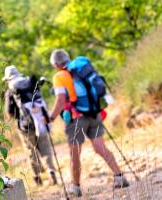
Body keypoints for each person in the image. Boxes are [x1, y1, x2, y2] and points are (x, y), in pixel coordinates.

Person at [48, 49, 129, 197]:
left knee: (75, 153)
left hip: (76, 119)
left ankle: (76, 187)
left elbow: (60, 100)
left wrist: (50, 118)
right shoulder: (81, 69)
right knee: (100, 147)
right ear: (67, 59)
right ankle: (120, 177)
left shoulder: (60, 76)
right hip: (94, 113)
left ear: (55, 64)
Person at [3, 66, 58, 186]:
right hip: (41, 120)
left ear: (8, 79)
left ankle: (37, 176)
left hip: (25, 125)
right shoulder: (31, 83)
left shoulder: (11, 90)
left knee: (31, 150)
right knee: (46, 147)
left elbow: (9, 112)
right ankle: (51, 171)